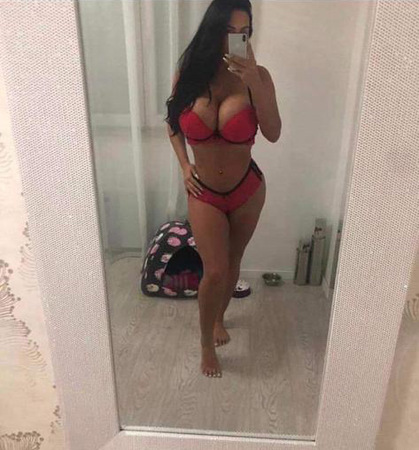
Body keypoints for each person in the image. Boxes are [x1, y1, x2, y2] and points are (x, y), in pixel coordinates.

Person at [165, 0, 281, 378]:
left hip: (247, 188)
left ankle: (220, 318)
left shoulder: (258, 77)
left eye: (243, 33)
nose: (235, 39)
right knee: (213, 271)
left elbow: (273, 132)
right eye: (228, 32)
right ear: (212, 31)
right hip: (205, 192)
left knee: (232, 261)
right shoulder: (189, 74)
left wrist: (254, 84)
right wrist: (184, 166)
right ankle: (205, 343)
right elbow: (172, 122)